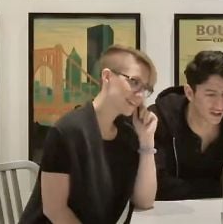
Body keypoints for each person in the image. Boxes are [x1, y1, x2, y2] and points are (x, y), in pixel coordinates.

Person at [19, 45, 158, 224]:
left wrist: (147, 140)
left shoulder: (128, 136)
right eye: (134, 82)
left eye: (145, 88)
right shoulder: (67, 131)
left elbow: (144, 201)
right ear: (107, 76)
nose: (140, 95)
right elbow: (55, 210)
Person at [149, 50, 223, 200]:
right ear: (190, 93)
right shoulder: (158, 121)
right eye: (211, 95)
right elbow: (156, 185)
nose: (220, 105)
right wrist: (216, 189)